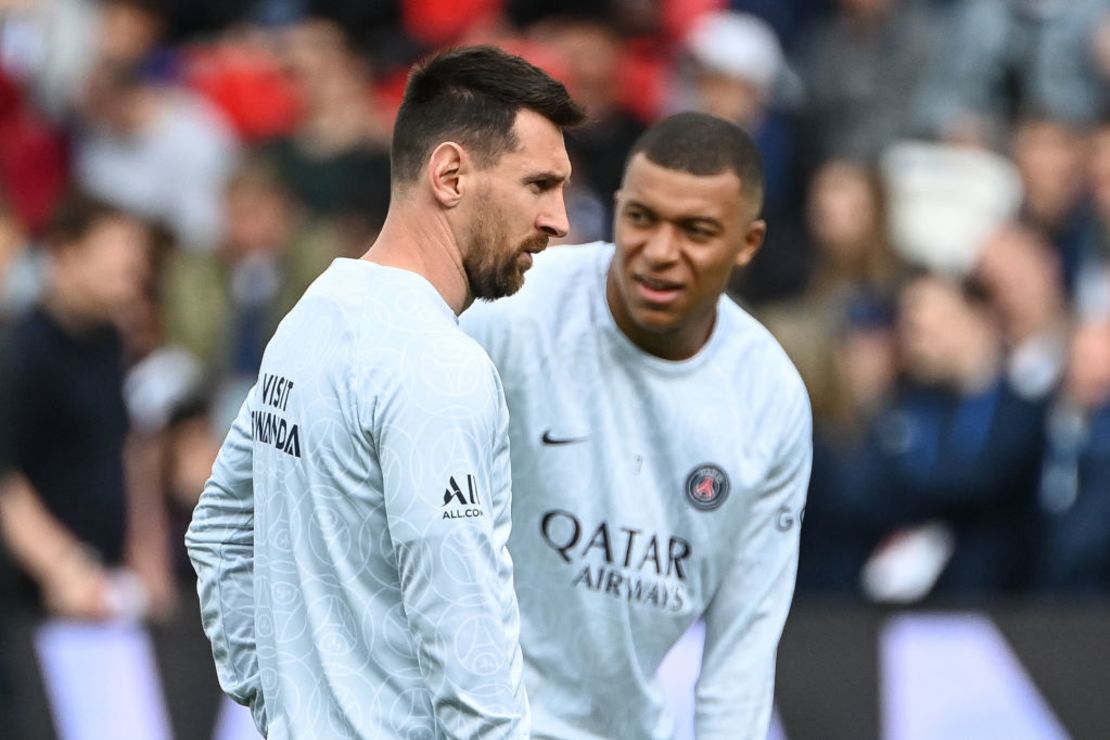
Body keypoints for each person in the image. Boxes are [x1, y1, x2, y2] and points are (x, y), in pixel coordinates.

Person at [185, 45, 583, 740]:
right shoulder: (438, 367)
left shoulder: (310, 317)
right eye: (539, 185)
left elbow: (218, 532)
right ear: (451, 175)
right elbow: (466, 649)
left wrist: (281, 710)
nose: (559, 221)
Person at [461, 111, 812, 739]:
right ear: (617, 207)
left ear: (748, 243)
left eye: (697, 230)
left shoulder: (771, 399)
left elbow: (743, 655)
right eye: (642, 218)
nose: (659, 251)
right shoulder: (514, 312)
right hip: (460, 722)